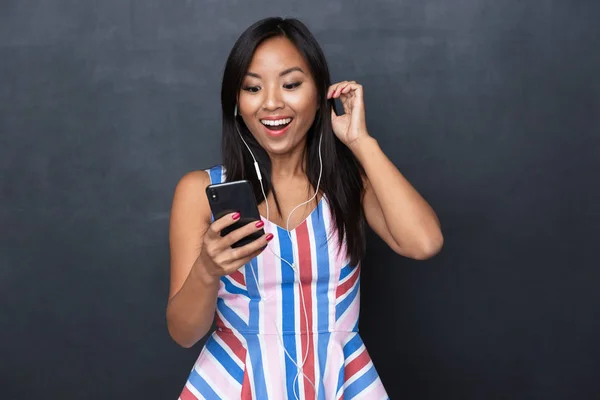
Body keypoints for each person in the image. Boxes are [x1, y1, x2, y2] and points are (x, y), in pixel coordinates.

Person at [167, 17, 443, 400]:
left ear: (318, 93)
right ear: (236, 102)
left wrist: (360, 141)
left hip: (342, 384)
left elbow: (424, 242)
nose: (272, 102)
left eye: (292, 84)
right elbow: (184, 333)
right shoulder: (200, 190)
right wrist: (207, 269)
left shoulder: (348, 183)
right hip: (231, 386)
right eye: (252, 88)